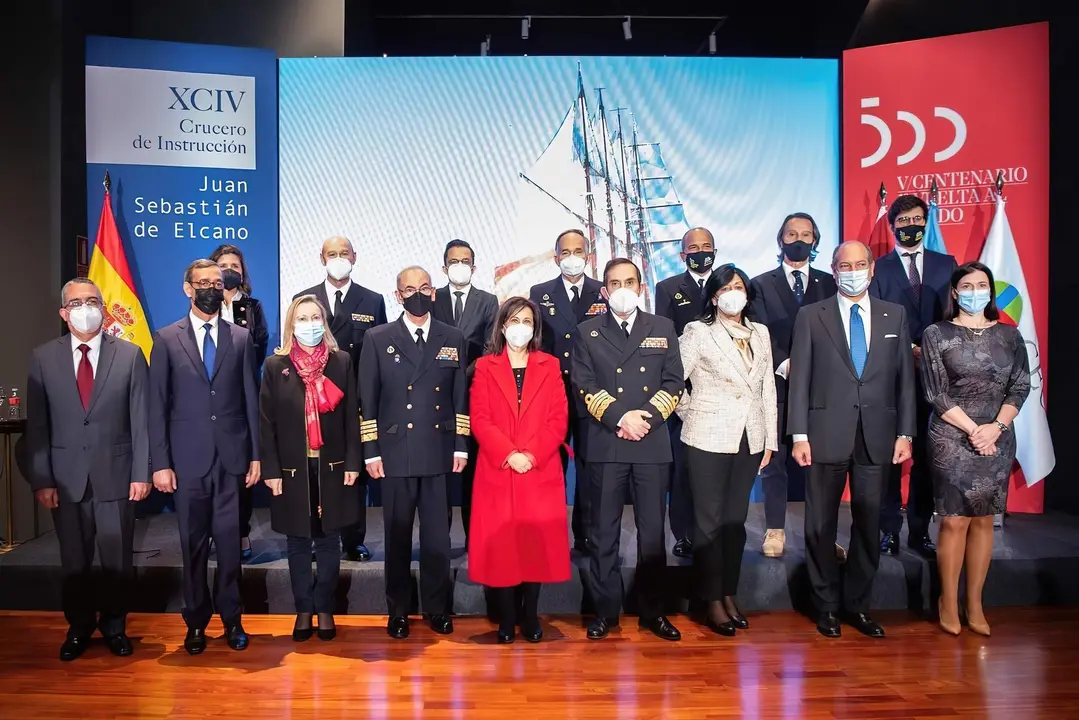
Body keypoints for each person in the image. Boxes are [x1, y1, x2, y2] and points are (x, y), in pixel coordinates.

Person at [788, 241, 916, 639]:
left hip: (878, 436)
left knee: (869, 523)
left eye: (860, 264)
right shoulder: (812, 315)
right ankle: (825, 605)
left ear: (872, 269)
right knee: (820, 525)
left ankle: (858, 606)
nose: (853, 270)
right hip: (824, 434)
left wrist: (906, 432)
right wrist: (798, 434)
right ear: (832, 268)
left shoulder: (894, 314)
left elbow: (905, 383)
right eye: (845, 265)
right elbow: (800, 381)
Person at [24, 278, 150, 661]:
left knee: (117, 560)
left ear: (103, 307)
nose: (85, 307)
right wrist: (42, 479)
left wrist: (141, 473)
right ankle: (78, 628)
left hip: (116, 475)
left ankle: (115, 627)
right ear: (64, 313)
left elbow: (141, 419)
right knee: (74, 562)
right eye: (76, 303)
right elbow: (39, 426)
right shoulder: (43, 358)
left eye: (92, 300)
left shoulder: (129, 355)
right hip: (65, 480)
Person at [149, 259, 261, 654]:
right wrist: (159, 463)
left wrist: (256, 455)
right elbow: (157, 405)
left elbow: (250, 400)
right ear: (187, 288)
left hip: (231, 459)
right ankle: (195, 621)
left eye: (218, 282)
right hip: (186, 462)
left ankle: (232, 619)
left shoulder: (241, 338)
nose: (212, 288)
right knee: (193, 544)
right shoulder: (165, 339)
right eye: (203, 282)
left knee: (230, 545)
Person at [572, 257, 684, 641]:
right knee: (603, 534)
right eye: (614, 282)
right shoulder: (587, 332)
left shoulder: (663, 327)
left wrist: (645, 419)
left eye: (630, 281)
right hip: (607, 443)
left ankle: (654, 611)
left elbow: (674, 382)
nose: (623, 288)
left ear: (641, 288)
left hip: (651, 444)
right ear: (604, 292)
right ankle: (605, 613)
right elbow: (583, 385)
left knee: (653, 534)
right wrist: (621, 417)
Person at [359, 266, 469, 639]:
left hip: (439, 450)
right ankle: (399, 611)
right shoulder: (378, 337)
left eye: (424, 287)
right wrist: (371, 450)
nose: (417, 294)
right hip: (395, 452)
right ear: (397, 295)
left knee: (438, 539)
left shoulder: (452, 336)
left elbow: (459, 399)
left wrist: (461, 443)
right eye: (409, 289)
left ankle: (438, 608)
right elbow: (367, 401)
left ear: (434, 292)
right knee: (398, 536)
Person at [920, 261, 1030, 636]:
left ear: (990, 291)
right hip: (951, 435)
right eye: (966, 285)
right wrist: (973, 430)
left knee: (984, 521)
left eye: (981, 285)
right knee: (953, 520)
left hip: (997, 436)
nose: (974, 291)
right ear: (954, 292)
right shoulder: (936, 333)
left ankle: (975, 603)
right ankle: (947, 601)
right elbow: (935, 391)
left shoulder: (1010, 337)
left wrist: (995, 428)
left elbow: (1020, 386)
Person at [678, 264, 777, 635]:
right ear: (715, 295)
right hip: (707, 436)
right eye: (726, 288)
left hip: (749, 439)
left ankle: (729, 592)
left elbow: (767, 388)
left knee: (735, 523)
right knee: (709, 523)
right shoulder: (698, 332)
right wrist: (692, 412)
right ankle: (710, 599)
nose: (733, 293)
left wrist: (769, 438)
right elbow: (675, 380)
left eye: (740, 287)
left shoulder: (761, 333)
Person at [259, 295, 362, 642]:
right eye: (302, 318)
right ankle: (303, 608)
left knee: (330, 539)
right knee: (298, 541)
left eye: (315, 316)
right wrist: (270, 470)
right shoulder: (277, 366)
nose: (310, 323)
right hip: (291, 471)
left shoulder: (341, 361)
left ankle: (325, 607)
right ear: (291, 325)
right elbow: (266, 423)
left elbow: (351, 418)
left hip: (332, 467)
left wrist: (353, 461)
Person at [468, 296, 570, 643]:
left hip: (538, 469)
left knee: (533, 548)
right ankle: (505, 619)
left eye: (527, 321)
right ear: (502, 326)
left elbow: (559, 419)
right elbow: (479, 418)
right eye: (514, 321)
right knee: (504, 549)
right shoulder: (484, 366)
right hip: (499, 469)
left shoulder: (550, 365)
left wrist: (531, 454)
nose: (521, 328)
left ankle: (530, 617)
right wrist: (510, 454)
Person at [869, 195, 958, 559]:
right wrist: (907, 348)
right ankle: (887, 530)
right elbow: (873, 318)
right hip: (890, 375)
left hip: (936, 378)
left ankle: (920, 531)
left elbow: (954, 315)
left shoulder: (946, 264)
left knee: (926, 458)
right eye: (903, 221)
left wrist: (932, 351)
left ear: (926, 222)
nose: (911, 226)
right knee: (889, 459)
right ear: (892, 226)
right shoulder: (879, 268)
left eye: (918, 219)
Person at [747, 213, 838, 558]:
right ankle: (775, 530)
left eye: (805, 234)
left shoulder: (830, 284)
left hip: (824, 390)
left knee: (821, 464)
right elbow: (756, 332)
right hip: (777, 386)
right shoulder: (759, 284)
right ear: (780, 239)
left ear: (815, 240)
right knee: (776, 462)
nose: (798, 239)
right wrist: (786, 363)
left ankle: (822, 536)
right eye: (791, 233)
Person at [295, 235, 387, 562]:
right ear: (321, 259)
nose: (338, 258)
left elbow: (379, 354)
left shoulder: (372, 300)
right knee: (316, 472)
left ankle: (353, 539)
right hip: (312, 404)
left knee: (352, 472)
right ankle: (317, 536)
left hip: (355, 400)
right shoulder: (304, 299)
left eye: (343, 253)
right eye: (331, 254)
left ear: (355, 257)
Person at [529, 229, 607, 553]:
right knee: (551, 467)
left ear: (587, 255)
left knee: (590, 467)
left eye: (579, 250)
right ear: (556, 256)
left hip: (592, 394)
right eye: (566, 251)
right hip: (554, 394)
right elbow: (536, 344)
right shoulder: (540, 291)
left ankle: (586, 534)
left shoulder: (602, 291)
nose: (572, 257)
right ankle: (550, 532)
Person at [654, 226, 715, 558]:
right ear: (683, 255)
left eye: (707, 247)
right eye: (694, 247)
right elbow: (665, 342)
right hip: (684, 394)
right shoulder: (667, 288)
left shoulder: (727, 284)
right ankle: (683, 533)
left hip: (721, 393)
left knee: (715, 468)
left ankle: (713, 531)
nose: (701, 252)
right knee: (683, 467)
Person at [432, 239, 497, 546]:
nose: (460, 266)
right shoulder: (432, 298)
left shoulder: (488, 300)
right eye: (453, 261)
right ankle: (440, 537)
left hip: (474, 395)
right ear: (445, 267)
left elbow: (490, 347)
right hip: (436, 397)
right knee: (440, 472)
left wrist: (462, 374)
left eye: (465, 260)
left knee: (474, 473)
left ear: (474, 266)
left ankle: (476, 537)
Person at [211, 243, 268, 561]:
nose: (230, 269)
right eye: (223, 264)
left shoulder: (252, 306)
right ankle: (213, 534)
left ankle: (242, 533)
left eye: (235, 264)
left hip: (243, 394)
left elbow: (258, 346)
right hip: (209, 397)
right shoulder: (204, 304)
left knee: (242, 469)